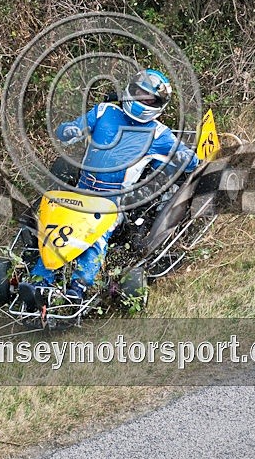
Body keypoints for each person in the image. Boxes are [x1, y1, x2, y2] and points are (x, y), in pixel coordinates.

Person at [22, 69, 200, 304]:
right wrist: (70, 131)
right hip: (81, 190)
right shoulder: (105, 111)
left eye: (147, 98)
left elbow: (192, 163)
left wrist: (185, 157)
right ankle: (38, 284)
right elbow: (65, 131)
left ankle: (78, 288)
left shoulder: (159, 134)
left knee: (94, 238)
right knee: (55, 233)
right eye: (138, 92)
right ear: (130, 89)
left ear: (157, 103)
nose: (140, 99)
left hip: (113, 202)